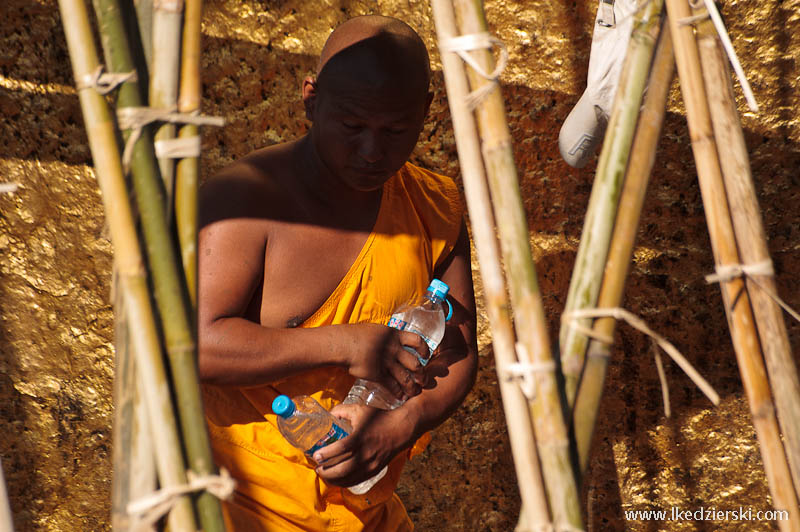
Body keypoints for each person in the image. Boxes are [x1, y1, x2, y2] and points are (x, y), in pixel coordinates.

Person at [197, 14, 478, 532]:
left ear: (425, 112)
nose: (372, 152)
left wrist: (400, 426)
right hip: (237, 507)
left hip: (364, 512)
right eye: (352, 127)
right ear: (311, 99)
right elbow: (193, 346)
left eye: (395, 131)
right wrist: (345, 344)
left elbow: (459, 352)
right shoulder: (245, 200)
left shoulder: (432, 207)